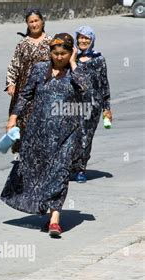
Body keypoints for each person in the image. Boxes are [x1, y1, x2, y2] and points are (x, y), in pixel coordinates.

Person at [1, 33, 91, 238]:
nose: (59, 57)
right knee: (39, 173)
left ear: (71, 52)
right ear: (49, 52)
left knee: (60, 173)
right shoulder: (40, 69)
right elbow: (25, 95)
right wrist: (13, 118)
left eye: (64, 53)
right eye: (55, 52)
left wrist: (74, 62)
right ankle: (44, 207)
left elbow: (86, 90)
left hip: (67, 133)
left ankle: (55, 219)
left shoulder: (77, 72)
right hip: (37, 132)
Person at [5, 9, 52, 153]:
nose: (34, 24)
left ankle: (42, 151)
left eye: (36, 20)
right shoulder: (22, 44)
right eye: (31, 22)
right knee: (22, 121)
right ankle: (22, 152)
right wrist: (11, 83)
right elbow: (14, 64)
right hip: (24, 89)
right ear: (27, 24)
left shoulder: (51, 42)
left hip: (45, 87)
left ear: (42, 22)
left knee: (43, 119)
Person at [71, 26, 113, 183]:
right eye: (80, 37)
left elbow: (104, 84)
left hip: (92, 106)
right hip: (72, 105)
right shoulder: (71, 58)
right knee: (72, 137)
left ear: (92, 40)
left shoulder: (99, 60)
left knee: (85, 138)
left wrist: (106, 108)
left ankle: (81, 169)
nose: (83, 41)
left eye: (86, 38)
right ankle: (71, 167)